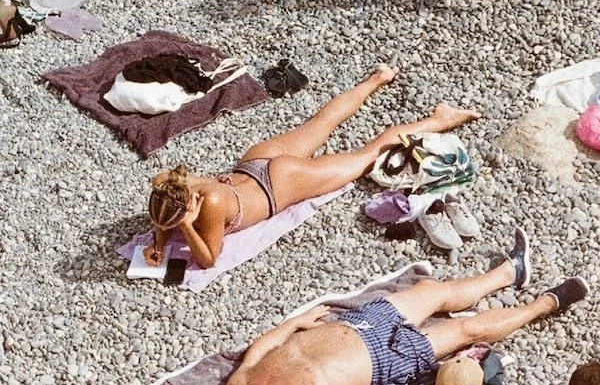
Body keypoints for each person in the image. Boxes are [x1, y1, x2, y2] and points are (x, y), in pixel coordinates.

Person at [198, 262, 587, 385]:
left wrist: (294, 323)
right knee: (466, 331)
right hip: (386, 359)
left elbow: (258, 348)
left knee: (431, 290)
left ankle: (510, 272)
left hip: (358, 323)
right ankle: (547, 303)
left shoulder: (240, 381)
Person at [145, 69, 478, 271]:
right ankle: (379, 78)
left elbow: (208, 259)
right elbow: (162, 218)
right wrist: (159, 241)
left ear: (188, 206)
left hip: (280, 185)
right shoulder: (166, 182)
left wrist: (186, 226)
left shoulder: (212, 205)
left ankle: (440, 120)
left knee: (367, 156)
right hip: (254, 163)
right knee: (322, 121)